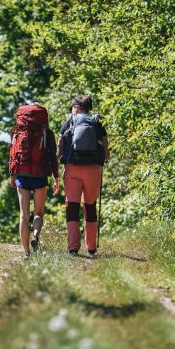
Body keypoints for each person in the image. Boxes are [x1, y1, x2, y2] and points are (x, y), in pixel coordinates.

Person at [58, 96, 109, 259]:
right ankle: (91, 247)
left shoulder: (68, 123)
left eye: (73, 106)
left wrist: (62, 161)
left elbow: (60, 148)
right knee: (90, 207)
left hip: (72, 169)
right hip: (93, 170)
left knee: (72, 206)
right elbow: (106, 152)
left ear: (78, 108)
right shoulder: (96, 123)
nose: (72, 109)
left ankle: (73, 247)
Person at [9, 103, 59, 259]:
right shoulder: (47, 132)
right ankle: (35, 235)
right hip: (40, 174)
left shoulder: (17, 131)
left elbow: (12, 154)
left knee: (24, 215)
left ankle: (26, 253)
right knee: (38, 213)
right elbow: (53, 157)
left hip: (22, 174)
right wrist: (56, 177)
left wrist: (12, 174)